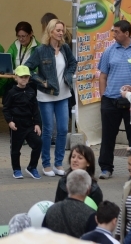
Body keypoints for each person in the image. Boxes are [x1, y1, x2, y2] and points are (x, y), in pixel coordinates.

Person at [25, 18, 78, 177]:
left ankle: (58, 163)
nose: (61, 33)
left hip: (63, 94)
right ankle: (46, 163)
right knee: (48, 130)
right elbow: (27, 68)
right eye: (58, 30)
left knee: (62, 129)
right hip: (46, 96)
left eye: (62, 30)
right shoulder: (41, 50)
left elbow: (73, 64)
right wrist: (42, 82)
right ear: (50, 32)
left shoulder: (65, 48)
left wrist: (68, 77)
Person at [97, 20, 131, 179]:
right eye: (113, 31)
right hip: (111, 101)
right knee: (107, 137)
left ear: (127, 33)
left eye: (117, 32)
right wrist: (103, 97)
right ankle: (106, 168)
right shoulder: (109, 51)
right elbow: (102, 76)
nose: (114, 34)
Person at [2, 65, 42, 179]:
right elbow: (6, 109)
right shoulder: (11, 92)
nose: (24, 79)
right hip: (16, 124)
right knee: (15, 149)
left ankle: (32, 167)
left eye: (26, 77)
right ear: (16, 78)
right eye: (21, 77)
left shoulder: (31, 92)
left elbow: (35, 109)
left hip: (29, 123)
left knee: (38, 143)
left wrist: (37, 124)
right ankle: (16, 169)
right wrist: (9, 121)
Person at [42, 169, 96, 238]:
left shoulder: (51, 210)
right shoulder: (91, 215)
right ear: (88, 190)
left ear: (67, 187)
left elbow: (43, 237)